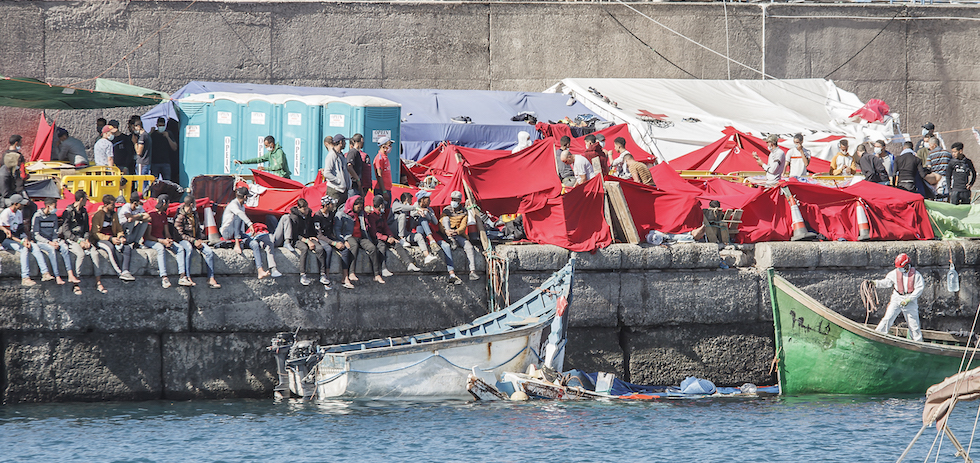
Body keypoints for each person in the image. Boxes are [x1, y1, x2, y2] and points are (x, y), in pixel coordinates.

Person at [220, 187, 281, 279]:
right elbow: (240, 215)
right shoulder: (233, 204)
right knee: (238, 216)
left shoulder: (242, 206)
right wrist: (250, 224)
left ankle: (260, 270)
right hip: (227, 232)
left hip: (238, 232)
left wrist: (247, 235)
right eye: (247, 197)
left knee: (254, 244)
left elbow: (240, 227)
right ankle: (237, 244)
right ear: (244, 197)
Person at [60, 190, 108, 294]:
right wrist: (78, 241)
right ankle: (76, 283)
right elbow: (66, 231)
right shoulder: (68, 212)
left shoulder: (84, 212)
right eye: (86, 199)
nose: (87, 201)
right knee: (80, 254)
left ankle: (98, 282)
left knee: (95, 253)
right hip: (72, 239)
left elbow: (86, 228)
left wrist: (86, 239)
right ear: (81, 199)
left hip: (82, 238)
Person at [868, 253, 923, 342]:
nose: (900, 269)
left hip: (910, 299)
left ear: (907, 265)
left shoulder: (916, 275)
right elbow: (886, 282)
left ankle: (918, 343)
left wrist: (909, 299)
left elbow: (919, 289)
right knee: (888, 318)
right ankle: (878, 336)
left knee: (914, 325)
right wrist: (875, 283)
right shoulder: (894, 273)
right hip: (897, 297)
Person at [410, 190, 462, 284]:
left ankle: (451, 273)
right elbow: (411, 213)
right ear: (422, 200)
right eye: (428, 199)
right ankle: (431, 241)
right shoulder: (414, 206)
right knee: (422, 218)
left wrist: (429, 214)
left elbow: (435, 222)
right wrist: (420, 211)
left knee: (445, 246)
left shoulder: (430, 209)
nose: (430, 201)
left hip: (431, 232)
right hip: (419, 233)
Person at [1, 194, 49, 286]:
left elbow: (20, 229)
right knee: (24, 249)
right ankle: (25, 277)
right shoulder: (6, 213)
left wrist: (26, 239)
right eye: (21, 204)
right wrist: (21, 242)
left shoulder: (19, 213)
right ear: (15, 204)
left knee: (34, 246)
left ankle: (45, 272)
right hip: (6, 240)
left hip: (17, 238)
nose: (23, 205)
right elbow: (7, 234)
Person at [174, 195, 220, 289]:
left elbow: (198, 229)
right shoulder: (180, 216)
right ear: (191, 204)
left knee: (209, 252)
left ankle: (211, 278)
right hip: (184, 240)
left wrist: (199, 240)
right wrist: (193, 241)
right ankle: (187, 276)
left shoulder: (194, 214)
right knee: (189, 249)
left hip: (195, 240)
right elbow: (179, 234)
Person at [336, 195, 385, 284]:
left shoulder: (361, 213)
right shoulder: (342, 214)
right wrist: (343, 240)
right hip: (349, 236)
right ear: (353, 205)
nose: (359, 209)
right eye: (358, 207)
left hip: (361, 236)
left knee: (372, 248)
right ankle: (351, 272)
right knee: (354, 246)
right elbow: (337, 229)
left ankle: (377, 274)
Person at [367, 194, 421, 275]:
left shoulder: (381, 215)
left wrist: (391, 236)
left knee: (397, 244)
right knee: (381, 247)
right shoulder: (372, 216)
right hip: (377, 238)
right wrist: (386, 238)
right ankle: (383, 268)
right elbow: (374, 232)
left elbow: (386, 227)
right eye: (383, 205)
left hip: (384, 236)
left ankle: (409, 264)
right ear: (381, 205)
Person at [143, 195, 189, 288]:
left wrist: (169, 240)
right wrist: (162, 241)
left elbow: (167, 232)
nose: (169, 205)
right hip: (151, 240)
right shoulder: (151, 215)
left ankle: (182, 276)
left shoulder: (164, 215)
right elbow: (148, 236)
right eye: (168, 203)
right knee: (160, 249)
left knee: (180, 248)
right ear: (164, 203)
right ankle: (164, 277)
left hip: (162, 239)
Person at [32, 197, 79, 286]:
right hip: (42, 241)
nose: (56, 208)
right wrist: (49, 243)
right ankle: (57, 276)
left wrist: (55, 241)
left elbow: (55, 232)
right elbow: (36, 235)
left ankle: (70, 274)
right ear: (48, 206)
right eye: (55, 206)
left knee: (65, 248)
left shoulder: (53, 216)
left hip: (52, 240)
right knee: (51, 250)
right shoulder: (37, 216)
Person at [90, 194, 136, 282]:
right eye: (112, 205)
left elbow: (119, 229)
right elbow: (95, 233)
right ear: (106, 205)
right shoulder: (98, 215)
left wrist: (121, 237)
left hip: (114, 237)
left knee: (127, 248)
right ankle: (120, 272)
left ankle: (126, 270)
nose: (114, 206)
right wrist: (110, 239)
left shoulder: (114, 215)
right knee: (110, 248)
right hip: (102, 239)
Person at [312, 195, 352, 289]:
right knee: (328, 250)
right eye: (331, 204)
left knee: (345, 249)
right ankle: (326, 276)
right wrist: (333, 243)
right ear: (326, 205)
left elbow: (331, 231)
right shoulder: (317, 216)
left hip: (330, 237)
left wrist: (341, 241)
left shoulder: (330, 214)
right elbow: (319, 234)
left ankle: (345, 277)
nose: (333, 205)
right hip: (322, 238)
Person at [440, 191, 479, 281]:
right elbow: (441, 222)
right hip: (446, 233)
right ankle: (451, 240)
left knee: (469, 246)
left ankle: (472, 271)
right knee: (445, 219)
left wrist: (456, 232)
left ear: (459, 201)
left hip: (457, 234)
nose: (453, 201)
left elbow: (463, 226)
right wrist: (446, 231)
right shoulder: (446, 210)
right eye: (452, 199)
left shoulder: (464, 211)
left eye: (455, 200)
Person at [284, 198, 321, 286]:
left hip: (307, 237)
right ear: (299, 208)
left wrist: (312, 236)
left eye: (307, 208)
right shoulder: (294, 217)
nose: (306, 210)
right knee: (304, 249)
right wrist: (307, 241)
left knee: (320, 248)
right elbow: (295, 234)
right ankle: (303, 274)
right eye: (304, 209)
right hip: (297, 239)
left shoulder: (309, 215)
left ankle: (322, 274)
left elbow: (311, 228)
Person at [321, 134, 350, 205]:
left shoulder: (341, 155)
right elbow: (327, 173)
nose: (345, 144)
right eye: (344, 142)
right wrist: (338, 181)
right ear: (340, 142)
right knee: (333, 211)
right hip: (335, 190)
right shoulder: (331, 155)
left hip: (343, 190)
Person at [150, 117, 177, 181]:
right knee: (154, 182)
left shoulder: (169, 133)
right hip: (155, 163)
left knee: (167, 182)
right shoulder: (153, 134)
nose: (161, 127)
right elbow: (146, 143)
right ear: (157, 125)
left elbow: (174, 148)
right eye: (160, 125)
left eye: (162, 125)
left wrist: (167, 137)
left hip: (166, 162)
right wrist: (150, 133)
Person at [132, 118, 153, 189]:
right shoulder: (147, 135)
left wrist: (135, 143)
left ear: (138, 126)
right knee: (145, 182)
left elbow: (139, 152)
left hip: (142, 163)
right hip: (147, 162)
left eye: (134, 127)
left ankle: (142, 196)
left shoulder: (142, 136)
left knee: (141, 182)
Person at [373, 136, 394, 204]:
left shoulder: (385, 157)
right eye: (389, 145)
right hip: (382, 190)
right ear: (383, 146)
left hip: (387, 189)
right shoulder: (380, 158)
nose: (391, 147)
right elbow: (379, 175)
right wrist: (384, 191)